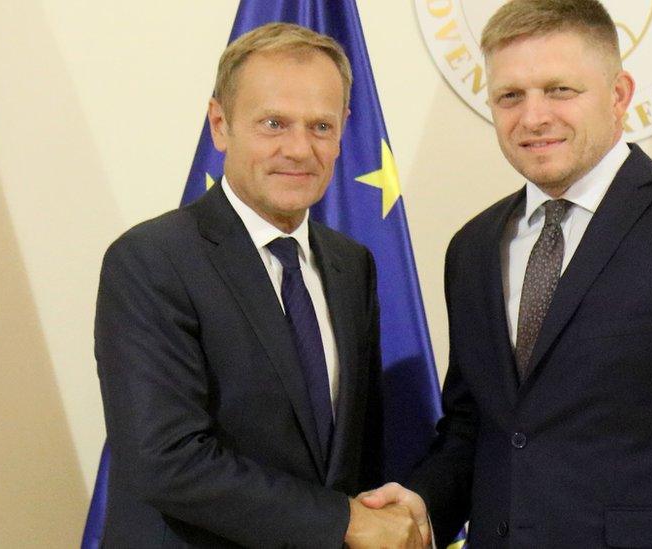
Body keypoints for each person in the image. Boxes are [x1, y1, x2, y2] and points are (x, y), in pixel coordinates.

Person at [361, 0, 652, 546]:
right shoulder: (471, 248)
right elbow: (482, 428)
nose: (533, 116)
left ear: (619, 95)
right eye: (510, 96)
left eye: (560, 90)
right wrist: (422, 504)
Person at [95, 23, 425, 548]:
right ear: (221, 125)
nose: (299, 149)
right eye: (274, 123)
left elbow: (354, 455)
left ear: (343, 130)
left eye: (320, 126)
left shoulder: (350, 265)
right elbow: (167, 461)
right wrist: (343, 522)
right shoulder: (151, 260)